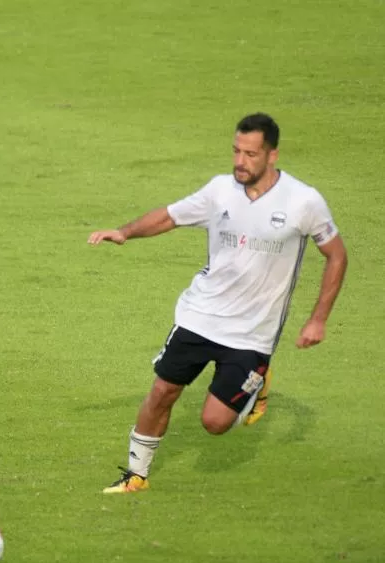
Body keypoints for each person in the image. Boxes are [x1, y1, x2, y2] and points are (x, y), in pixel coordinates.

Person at [88, 113, 347, 493]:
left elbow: (336, 256)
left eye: (251, 154)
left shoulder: (303, 201)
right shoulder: (220, 191)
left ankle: (258, 381)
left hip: (252, 334)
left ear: (272, 155)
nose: (240, 161)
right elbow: (170, 217)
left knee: (214, 423)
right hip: (200, 314)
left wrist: (318, 319)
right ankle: (136, 475)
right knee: (162, 391)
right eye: (236, 151)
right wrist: (125, 232)